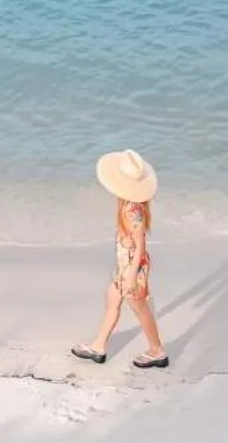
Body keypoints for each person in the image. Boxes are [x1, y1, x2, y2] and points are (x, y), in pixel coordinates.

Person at [71, 149, 169, 369]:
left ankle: (157, 351)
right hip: (126, 267)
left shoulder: (132, 212)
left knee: (141, 309)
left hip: (133, 268)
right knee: (113, 300)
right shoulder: (127, 205)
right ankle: (98, 346)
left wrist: (132, 274)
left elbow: (140, 247)